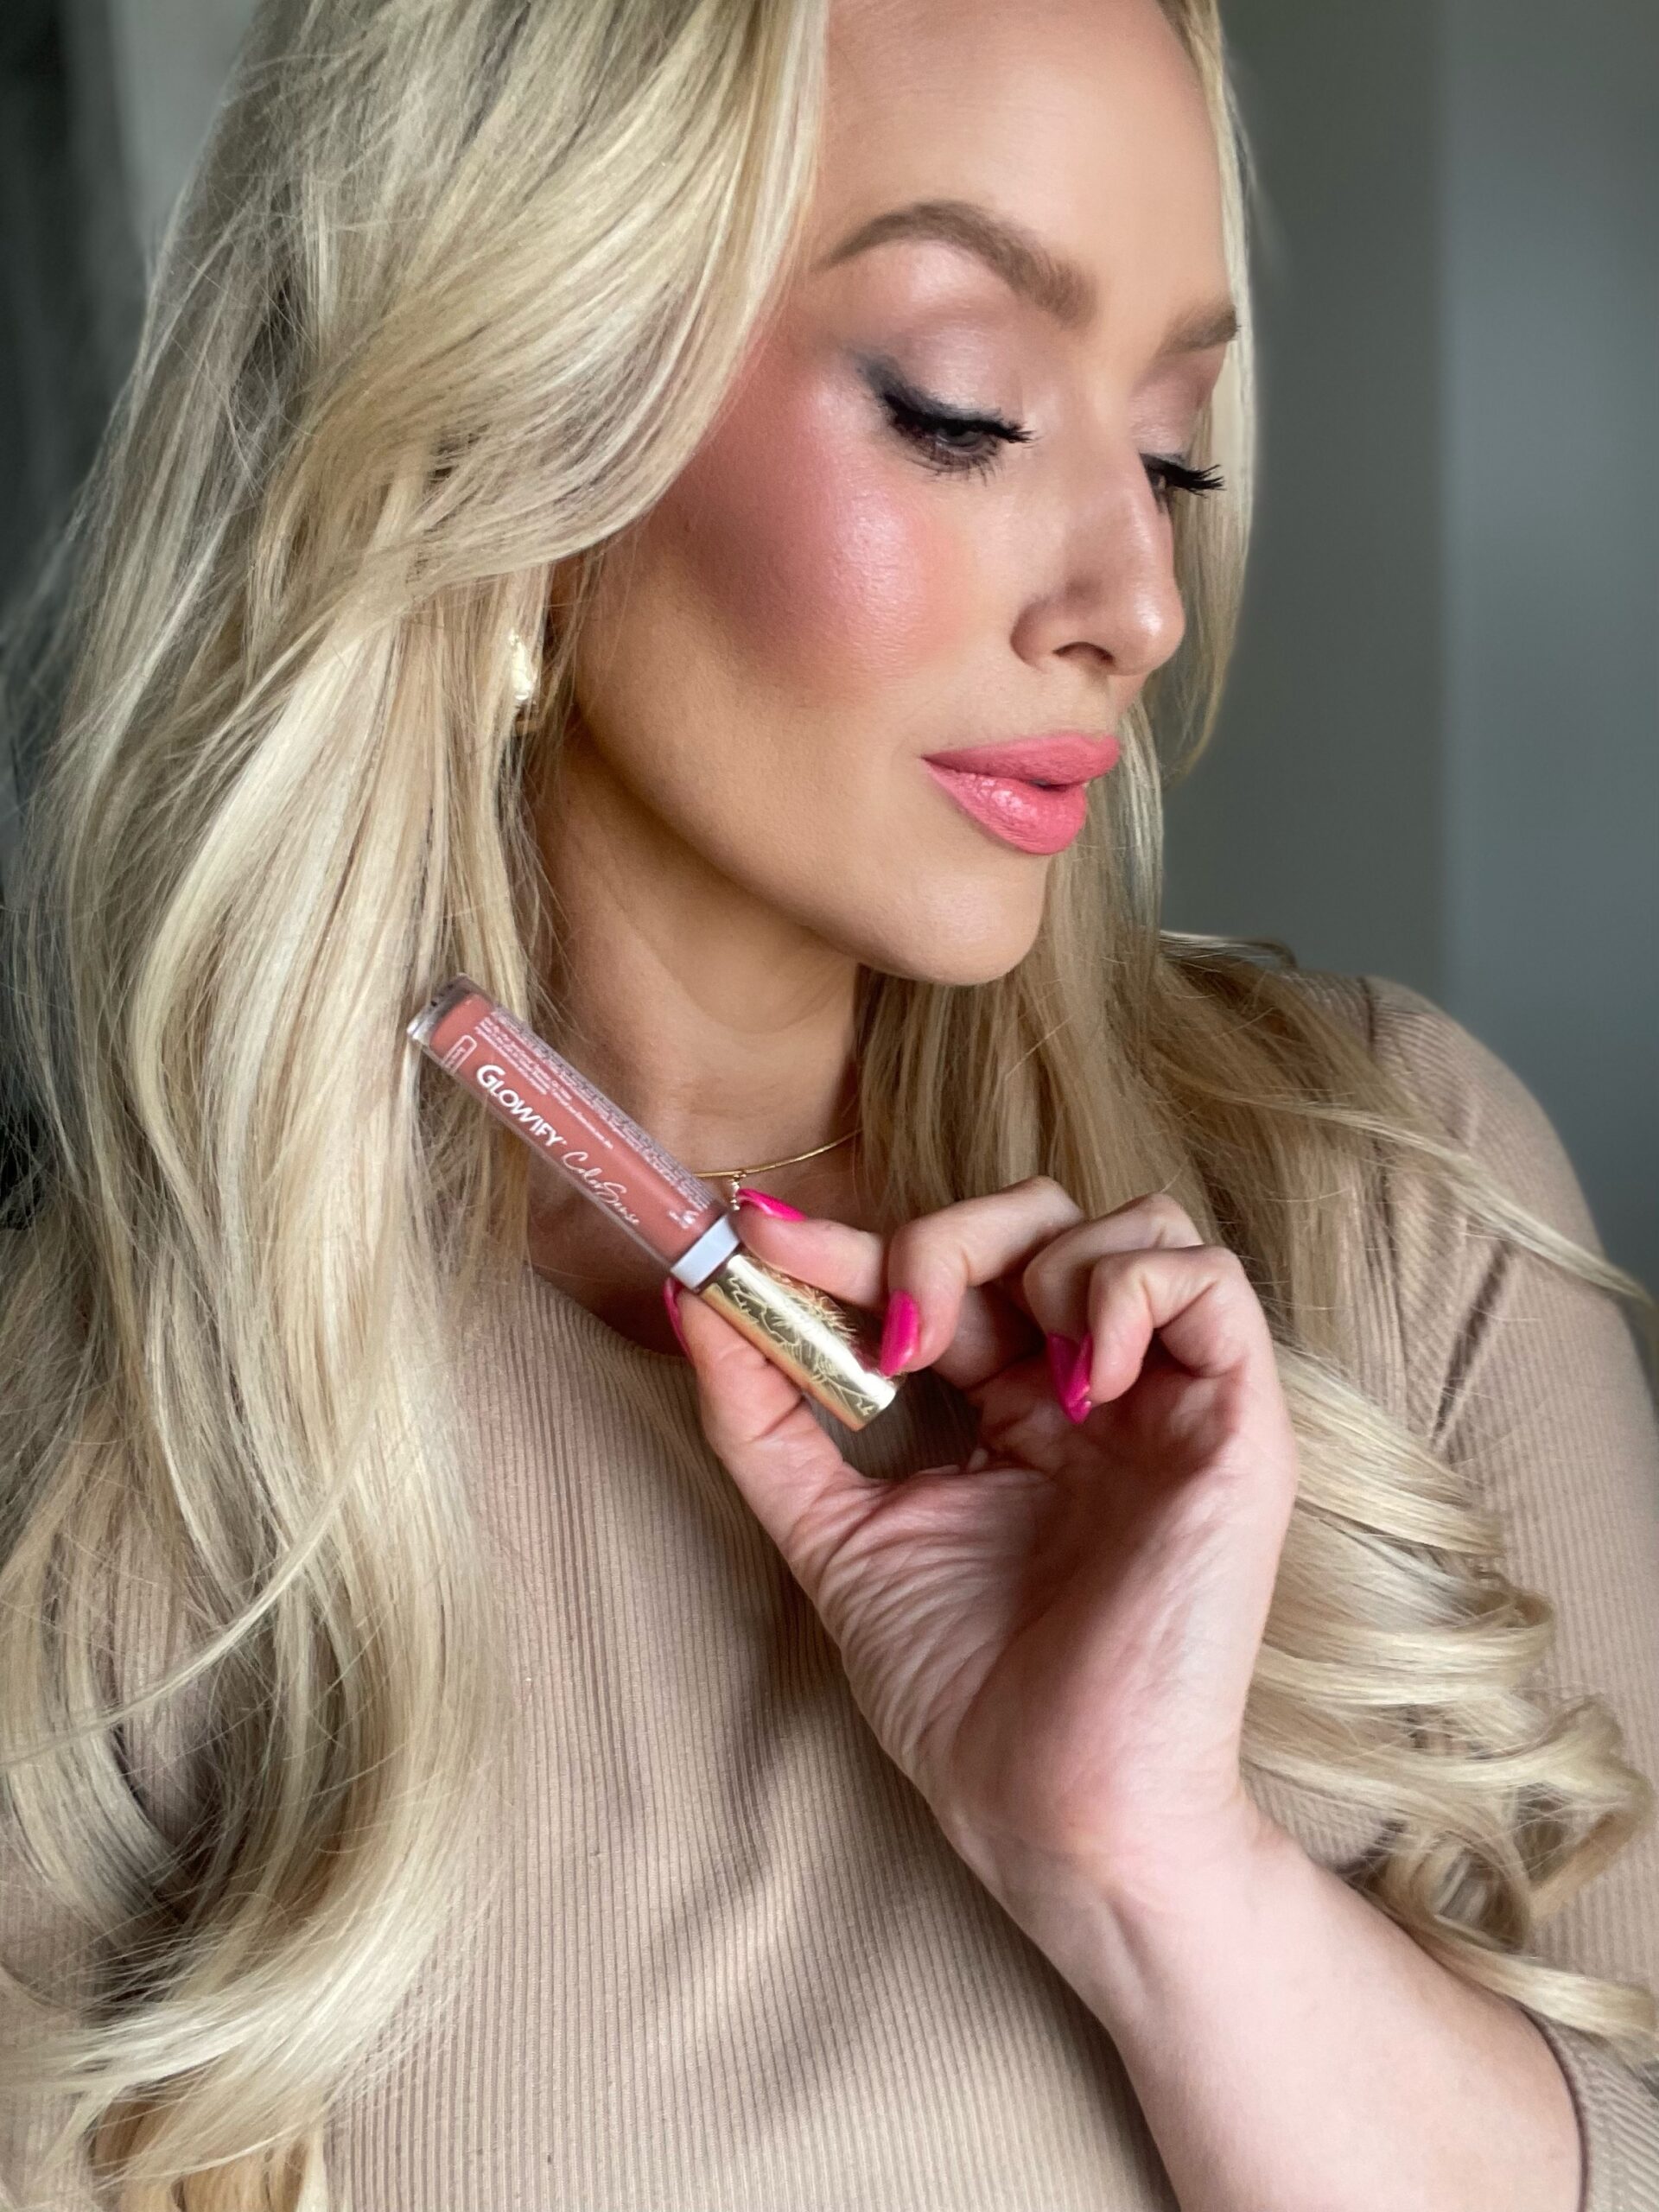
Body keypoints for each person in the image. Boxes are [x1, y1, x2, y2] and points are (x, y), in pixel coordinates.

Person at [3, 0, 1657, 2205]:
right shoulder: (116, 1468)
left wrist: (1153, 1864)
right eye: (966, 411)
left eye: (1173, 452)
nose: (1141, 601)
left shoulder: (1396, 1212)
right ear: (510, 418)